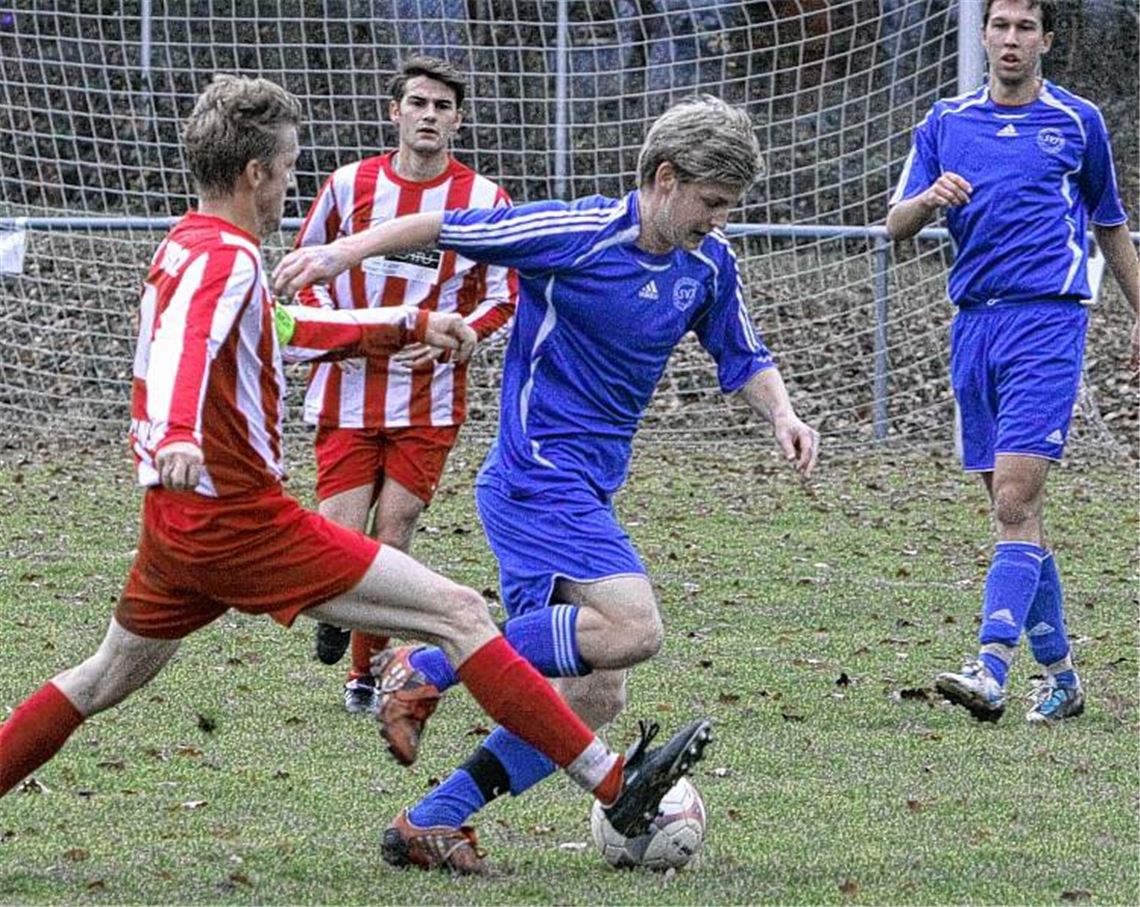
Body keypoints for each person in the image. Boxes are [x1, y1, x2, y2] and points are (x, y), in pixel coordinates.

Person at [0, 74, 716, 876]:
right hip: (241, 523)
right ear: (255, 175)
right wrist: (174, 432)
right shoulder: (229, 260)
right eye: (290, 166)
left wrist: (406, 322)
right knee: (455, 612)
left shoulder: (184, 243)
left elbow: (289, 328)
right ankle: (616, 781)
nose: (294, 183)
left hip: (176, 532)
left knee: (97, 678)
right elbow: (183, 348)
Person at [275, 93, 819, 872]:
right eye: (710, 203)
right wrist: (339, 254)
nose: (717, 221)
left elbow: (743, 353)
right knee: (635, 629)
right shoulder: (576, 233)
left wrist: (782, 415)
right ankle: (424, 665)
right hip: (537, 475)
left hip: (585, 488)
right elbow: (446, 224)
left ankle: (431, 819)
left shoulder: (708, 263)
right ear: (664, 178)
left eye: (727, 207)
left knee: (597, 691)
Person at [886, 0, 1139, 723]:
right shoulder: (944, 123)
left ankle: (991, 665)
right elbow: (894, 225)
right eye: (999, 25)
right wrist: (931, 198)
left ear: (1047, 40)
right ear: (984, 34)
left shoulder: (1077, 122)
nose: (1010, 39)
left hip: (1048, 321)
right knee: (1012, 514)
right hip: (974, 328)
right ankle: (1060, 676)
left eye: (1025, 27)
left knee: (1015, 500)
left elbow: (1110, 225)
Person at [295, 56, 517, 716]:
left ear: (458, 120)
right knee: (340, 533)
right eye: (417, 103)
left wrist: (467, 334)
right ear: (395, 112)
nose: (428, 115)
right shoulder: (345, 186)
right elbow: (305, 273)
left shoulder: (484, 201)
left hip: (431, 393)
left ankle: (363, 675)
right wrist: (347, 331)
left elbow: (504, 294)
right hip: (349, 385)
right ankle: (338, 608)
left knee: (395, 533)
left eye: (441, 106)